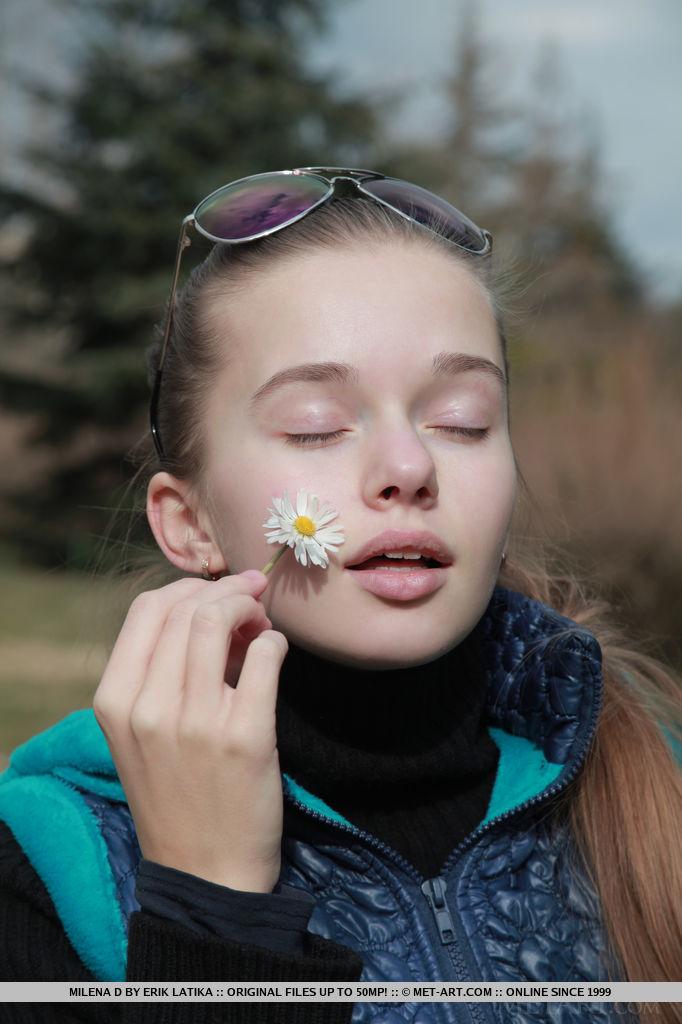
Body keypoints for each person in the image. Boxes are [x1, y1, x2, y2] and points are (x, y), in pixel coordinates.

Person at [0, 167, 680, 1024]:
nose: (408, 469)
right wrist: (211, 915)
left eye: (464, 420)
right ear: (189, 525)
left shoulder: (655, 788)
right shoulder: (48, 872)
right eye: (316, 425)